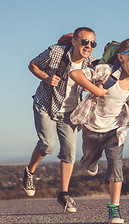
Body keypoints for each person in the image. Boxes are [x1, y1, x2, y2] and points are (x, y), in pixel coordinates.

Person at [69, 38, 129, 224]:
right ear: (121, 57)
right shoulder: (106, 71)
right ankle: (90, 162)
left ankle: (114, 208)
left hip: (115, 130)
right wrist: (95, 90)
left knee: (116, 166)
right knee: (89, 162)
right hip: (91, 127)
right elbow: (76, 74)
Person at [23, 27, 97, 213]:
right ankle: (30, 171)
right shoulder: (56, 52)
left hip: (70, 112)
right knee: (47, 145)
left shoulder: (91, 63)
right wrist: (46, 78)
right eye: (84, 42)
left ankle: (63, 194)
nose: (88, 46)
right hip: (46, 105)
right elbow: (32, 64)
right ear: (74, 41)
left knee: (69, 152)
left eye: (92, 43)